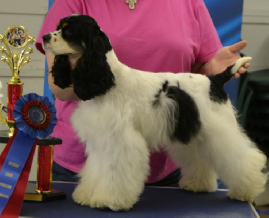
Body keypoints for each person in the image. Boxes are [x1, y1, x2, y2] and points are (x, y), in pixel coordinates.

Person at [36, 0, 249, 185]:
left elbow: (196, 74)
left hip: (168, 163)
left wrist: (211, 68)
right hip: (75, 164)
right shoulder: (74, 2)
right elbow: (60, 88)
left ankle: (236, 177)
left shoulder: (189, 2)